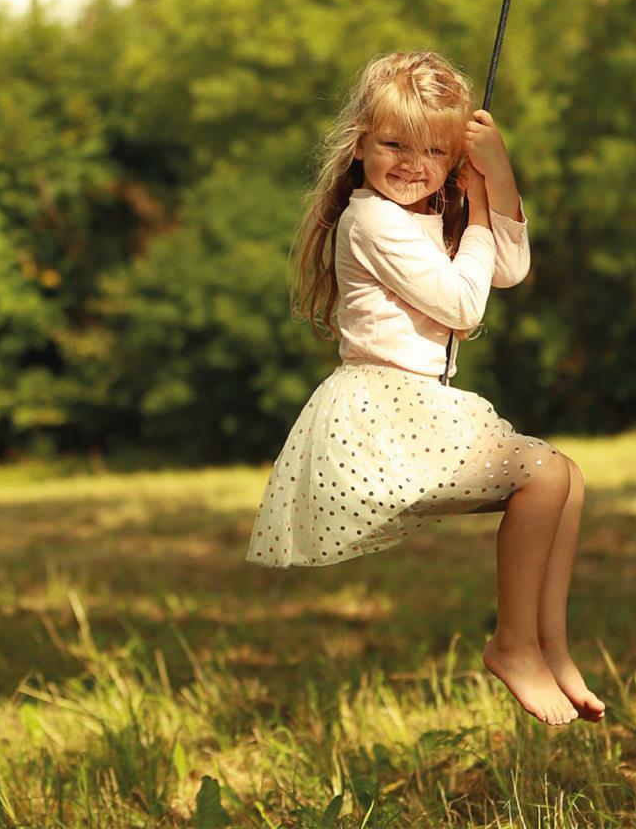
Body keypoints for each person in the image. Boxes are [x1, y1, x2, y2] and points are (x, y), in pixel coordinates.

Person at [246, 49, 604, 726]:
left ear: (452, 159)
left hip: (423, 407)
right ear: (360, 144)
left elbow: (510, 268)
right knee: (544, 476)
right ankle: (513, 644)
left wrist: (496, 177)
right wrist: (470, 220)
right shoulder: (374, 220)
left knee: (569, 477)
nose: (411, 163)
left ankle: (550, 645)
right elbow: (464, 306)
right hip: (383, 412)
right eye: (393, 144)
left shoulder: (426, 212)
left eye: (434, 151)